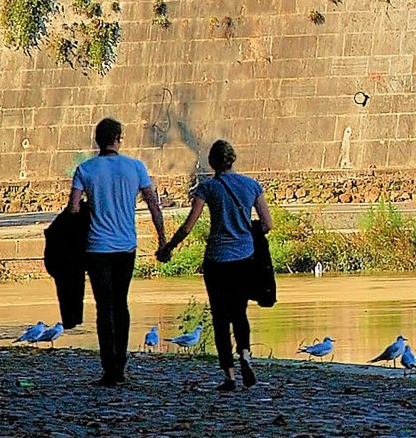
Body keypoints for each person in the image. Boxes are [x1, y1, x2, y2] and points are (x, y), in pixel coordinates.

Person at [159, 139, 274, 391]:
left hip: (217, 261)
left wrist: (169, 247)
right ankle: (245, 354)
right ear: (232, 159)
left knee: (221, 318)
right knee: (240, 313)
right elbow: (267, 224)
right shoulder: (251, 185)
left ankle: (230, 376)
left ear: (212, 162)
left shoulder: (208, 188)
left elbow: (189, 224)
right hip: (244, 259)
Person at [68, 117, 166, 387]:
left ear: (97, 140)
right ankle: (120, 366)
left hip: (96, 247)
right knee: (121, 304)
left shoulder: (85, 170)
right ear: (119, 138)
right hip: (126, 247)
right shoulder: (136, 167)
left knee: (104, 307)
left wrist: (89, 204)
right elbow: (153, 205)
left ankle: (108, 368)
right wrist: (162, 240)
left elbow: (74, 208)